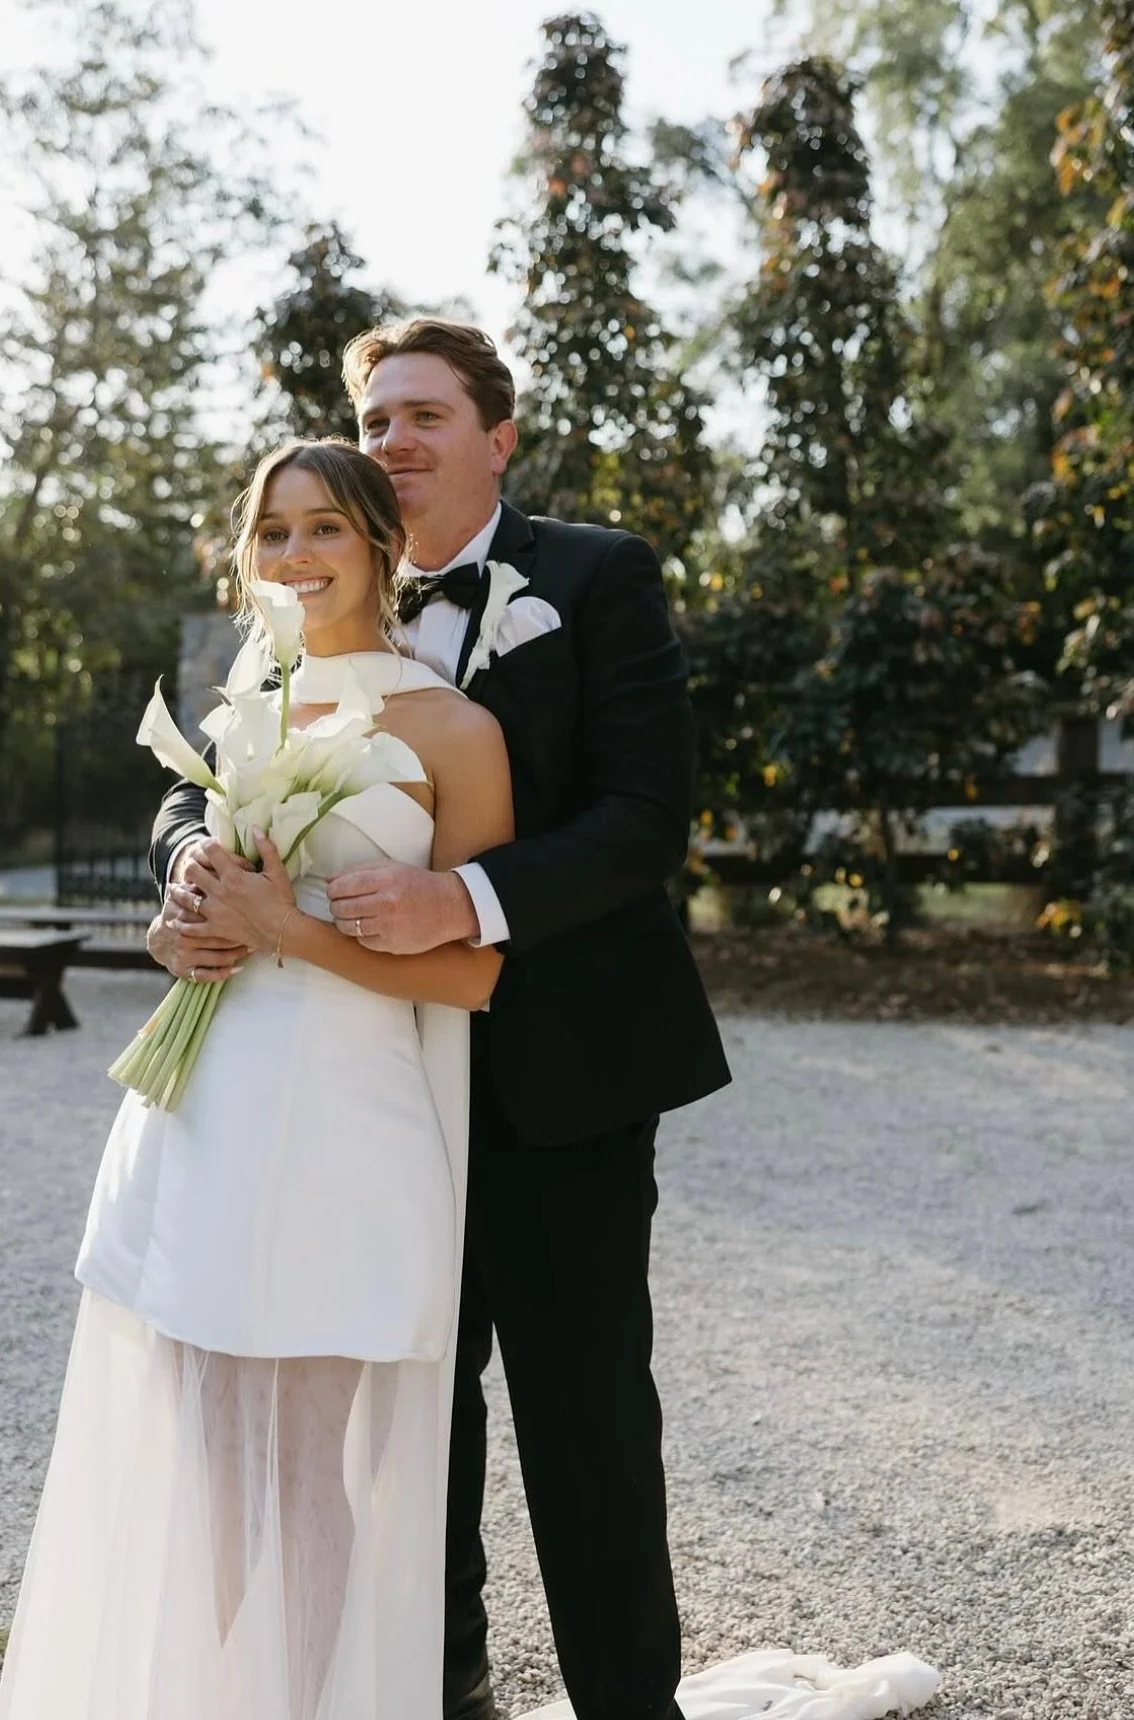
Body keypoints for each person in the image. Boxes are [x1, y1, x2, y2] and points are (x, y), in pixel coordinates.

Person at [147, 324, 941, 1720]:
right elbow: (206, 770)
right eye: (374, 418)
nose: (393, 439)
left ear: (497, 438)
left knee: (584, 1413)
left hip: (556, 1070)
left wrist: (462, 899)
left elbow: (644, 817)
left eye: (425, 414)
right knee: (411, 1409)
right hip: (362, 1084)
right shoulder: (314, 587)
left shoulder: (594, 575)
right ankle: (437, 1685)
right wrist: (184, 864)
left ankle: (625, 1701)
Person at [0, 439, 514, 1720]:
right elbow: (197, 900)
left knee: (302, 1460)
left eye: (324, 527)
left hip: (348, 1124)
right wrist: (182, 927)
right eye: (273, 531)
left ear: (381, 545)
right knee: (210, 1460)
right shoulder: (243, 707)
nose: (295, 554)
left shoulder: (456, 730)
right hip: (207, 1110)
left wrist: (293, 931)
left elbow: (474, 979)